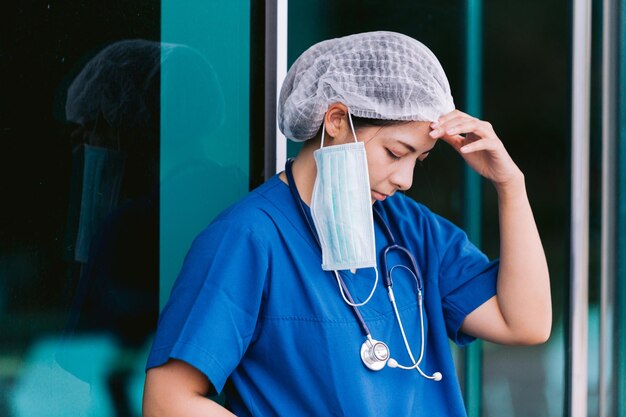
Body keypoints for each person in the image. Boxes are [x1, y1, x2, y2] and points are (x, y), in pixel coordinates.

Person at [142, 31, 551, 416]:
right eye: (395, 152)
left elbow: (526, 323)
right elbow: (168, 401)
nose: (406, 180)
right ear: (336, 120)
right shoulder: (249, 237)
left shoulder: (411, 230)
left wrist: (510, 186)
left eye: (419, 160)